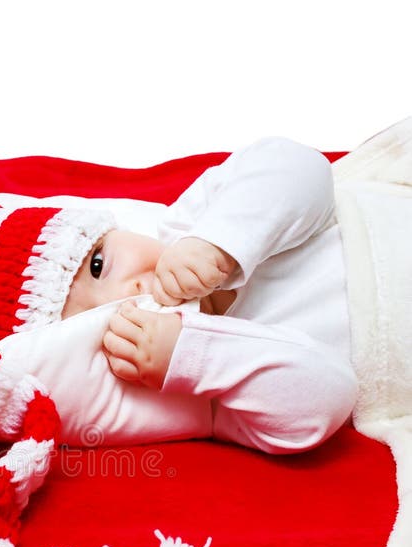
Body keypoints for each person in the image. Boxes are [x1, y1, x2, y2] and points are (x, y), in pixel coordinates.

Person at [59, 137, 359, 449]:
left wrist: (216, 243)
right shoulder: (208, 395)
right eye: (94, 322)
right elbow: (326, 401)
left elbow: (301, 165)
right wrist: (192, 355)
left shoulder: (189, 226)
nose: (121, 299)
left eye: (97, 265)